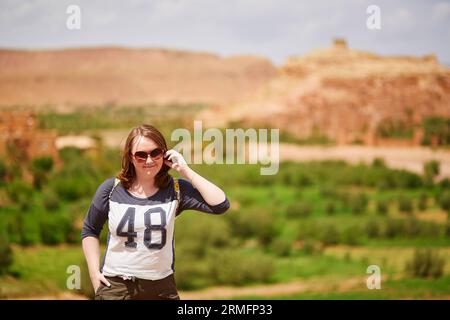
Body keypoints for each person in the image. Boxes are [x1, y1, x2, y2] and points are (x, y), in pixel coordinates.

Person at [81, 124, 230, 300]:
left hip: (161, 288)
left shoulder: (176, 189)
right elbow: (90, 229)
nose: (149, 160)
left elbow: (220, 204)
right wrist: (93, 273)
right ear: (130, 157)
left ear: (165, 153)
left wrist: (185, 170)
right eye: (141, 155)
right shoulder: (111, 189)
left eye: (155, 153)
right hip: (116, 287)